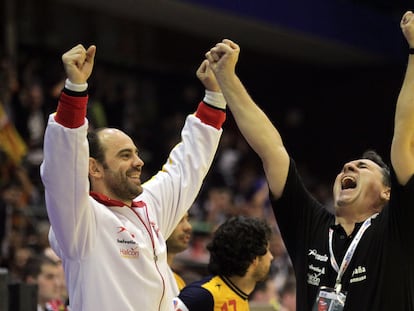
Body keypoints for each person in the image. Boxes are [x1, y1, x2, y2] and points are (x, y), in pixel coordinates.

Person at [204, 10, 414, 311]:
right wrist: (227, 77)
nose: (348, 167)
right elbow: (271, 149)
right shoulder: (311, 227)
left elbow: (406, 136)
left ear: (386, 193)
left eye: (362, 167)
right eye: (348, 165)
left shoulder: (397, 227)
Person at [40, 45, 226, 310]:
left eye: (136, 154)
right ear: (94, 168)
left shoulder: (149, 206)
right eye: (125, 155)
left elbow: (188, 165)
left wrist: (215, 94)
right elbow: (61, 170)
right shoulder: (80, 223)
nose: (138, 162)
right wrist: (75, 89)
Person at [173, 215, 274, 311]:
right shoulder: (203, 295)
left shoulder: (240, 297)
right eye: (268, 250)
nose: (271, 257)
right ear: (254, 259)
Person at [166, 212, 193, 294]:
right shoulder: (146, 278)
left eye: (188, 219)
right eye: (178, 220)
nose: (188, 227)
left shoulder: (179, 282)